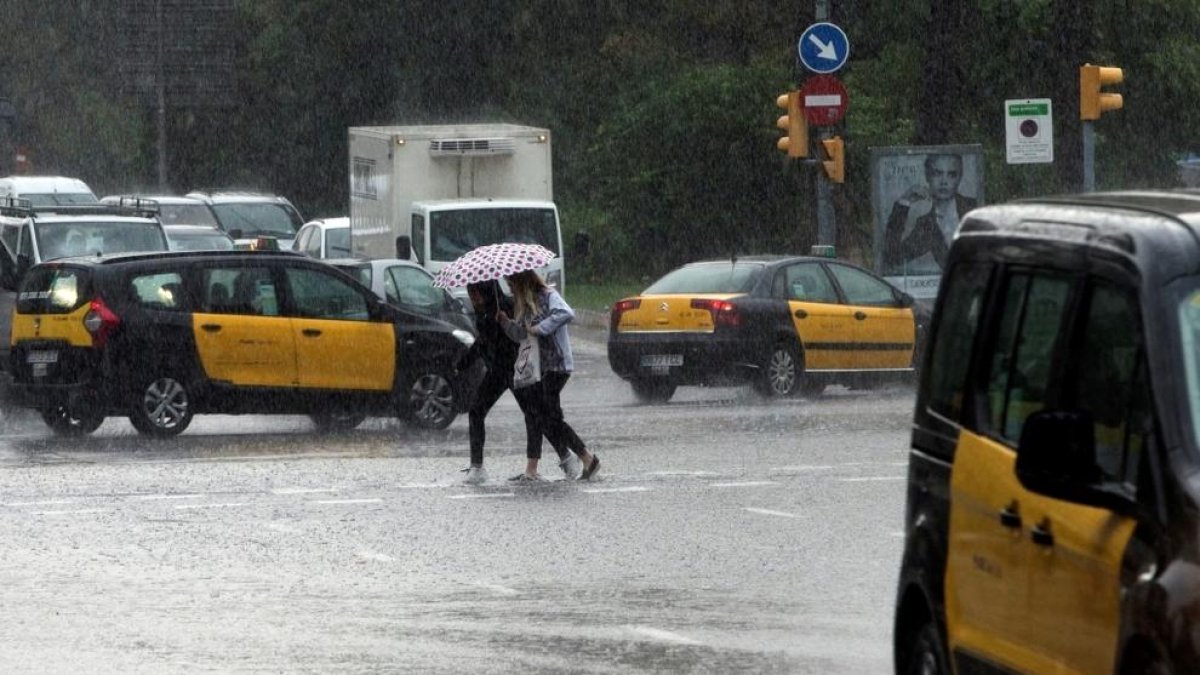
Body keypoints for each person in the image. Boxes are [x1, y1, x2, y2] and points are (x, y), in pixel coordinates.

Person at [457, 279, 581, 485]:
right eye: (470, 292)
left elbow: (517, 336)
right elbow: (482, 342)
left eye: (476, 291)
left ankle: (564, 457)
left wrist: (502, 322)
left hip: (518, 369)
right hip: (497, 372)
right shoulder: (483, 311)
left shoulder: (504, 306)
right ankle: (477, 466)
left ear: (487, 290)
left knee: (535, 416)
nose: (473, 297)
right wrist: (463, 364)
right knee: (477, 410)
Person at [497, 269, 600, 481]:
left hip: (558, 365)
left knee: (548, 417)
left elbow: (566, 313)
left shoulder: (548, 295)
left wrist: (541, 327)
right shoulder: (525, 303)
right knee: (539, 416)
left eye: (510, 282)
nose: (509, 287)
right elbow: (522, 334)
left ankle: (586, 459)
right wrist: (506, 323)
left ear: (521, 280)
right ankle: (535, 469)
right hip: (541, 368)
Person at [883, 153, 978, 274]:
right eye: (937, 173)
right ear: (927, 176)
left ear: (960, 177)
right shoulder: (926, 225)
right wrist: (904, 202)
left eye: (951, 175)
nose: (944, 181)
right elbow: (893, 257)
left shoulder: (974, 208)